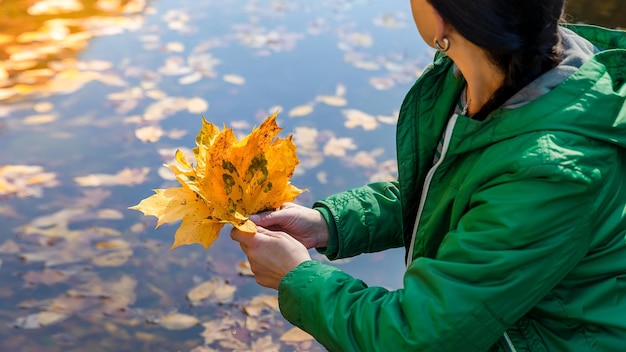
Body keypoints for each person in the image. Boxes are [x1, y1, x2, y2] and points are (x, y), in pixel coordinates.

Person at [231, 0, 626, 350]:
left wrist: (297, 277)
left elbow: (418, 337)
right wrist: (329, 224)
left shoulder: (553, 170)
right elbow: (456, 194)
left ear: (440, 21)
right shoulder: (487, 76)